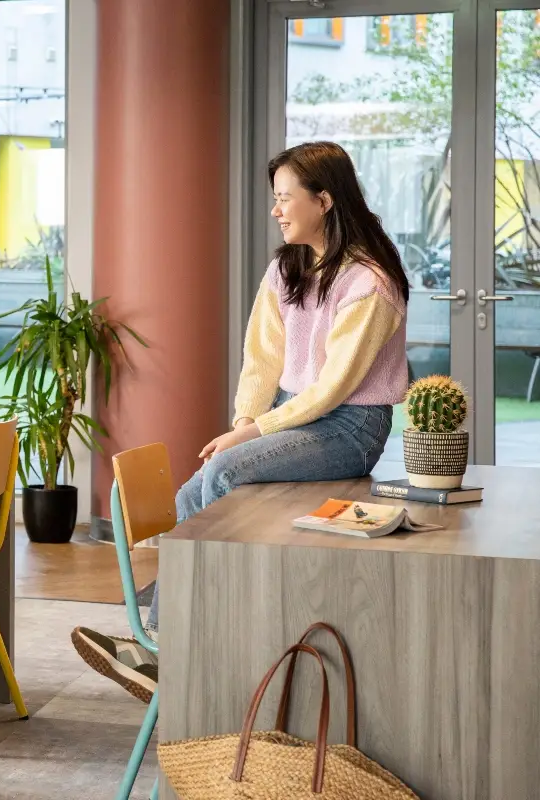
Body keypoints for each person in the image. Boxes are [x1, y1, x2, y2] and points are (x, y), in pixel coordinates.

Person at [145, 141, 409, 636]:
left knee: (224, 468)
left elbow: (332, 389)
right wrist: (246, 420)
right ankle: (170, 640)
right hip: (294, 411)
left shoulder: (368, 283)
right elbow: (262, 359)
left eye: (286, 197)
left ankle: (213, 629)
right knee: (190, 492)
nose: (276, 210)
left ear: (325, 201)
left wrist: (251, 436)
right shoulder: (287, 267)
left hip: (351, 426)